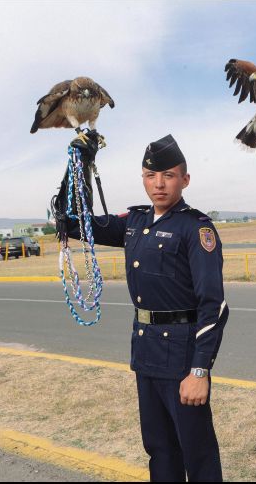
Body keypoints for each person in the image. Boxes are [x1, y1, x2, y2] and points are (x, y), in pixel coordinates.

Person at [58, 134, 228, 482]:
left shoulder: (195, 228)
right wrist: (79, 165)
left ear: (185, 179)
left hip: (182, 355)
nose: (159, 184)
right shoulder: (134, 222)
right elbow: (73, 221)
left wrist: (200, 371)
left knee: (197, 454)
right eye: (151, 176)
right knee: (159, 449)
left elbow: (214, 305)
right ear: (143, 178)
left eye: (168, 175)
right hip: (146, 350)